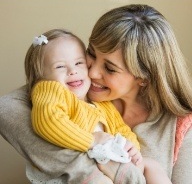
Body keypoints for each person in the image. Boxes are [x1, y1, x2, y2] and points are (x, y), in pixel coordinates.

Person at [0, 4, 192, 184]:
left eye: (109, 68)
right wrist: (96, 169)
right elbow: (6, 108)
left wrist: (133, 152)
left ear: (143, 77)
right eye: (90, 54)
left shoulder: (181, 127)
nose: (91, 73)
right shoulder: (74, 89)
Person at [26, 28, 171, 184]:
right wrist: (91, 141)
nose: (73, 71)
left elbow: (120, 128)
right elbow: (48, 122)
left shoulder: (100, 103)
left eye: (79, 63)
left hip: (109, 160)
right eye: (60, 67)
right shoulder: (50, 90)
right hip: (78, 169)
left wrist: (131, 146)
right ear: (41, 77)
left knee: (152, 165)